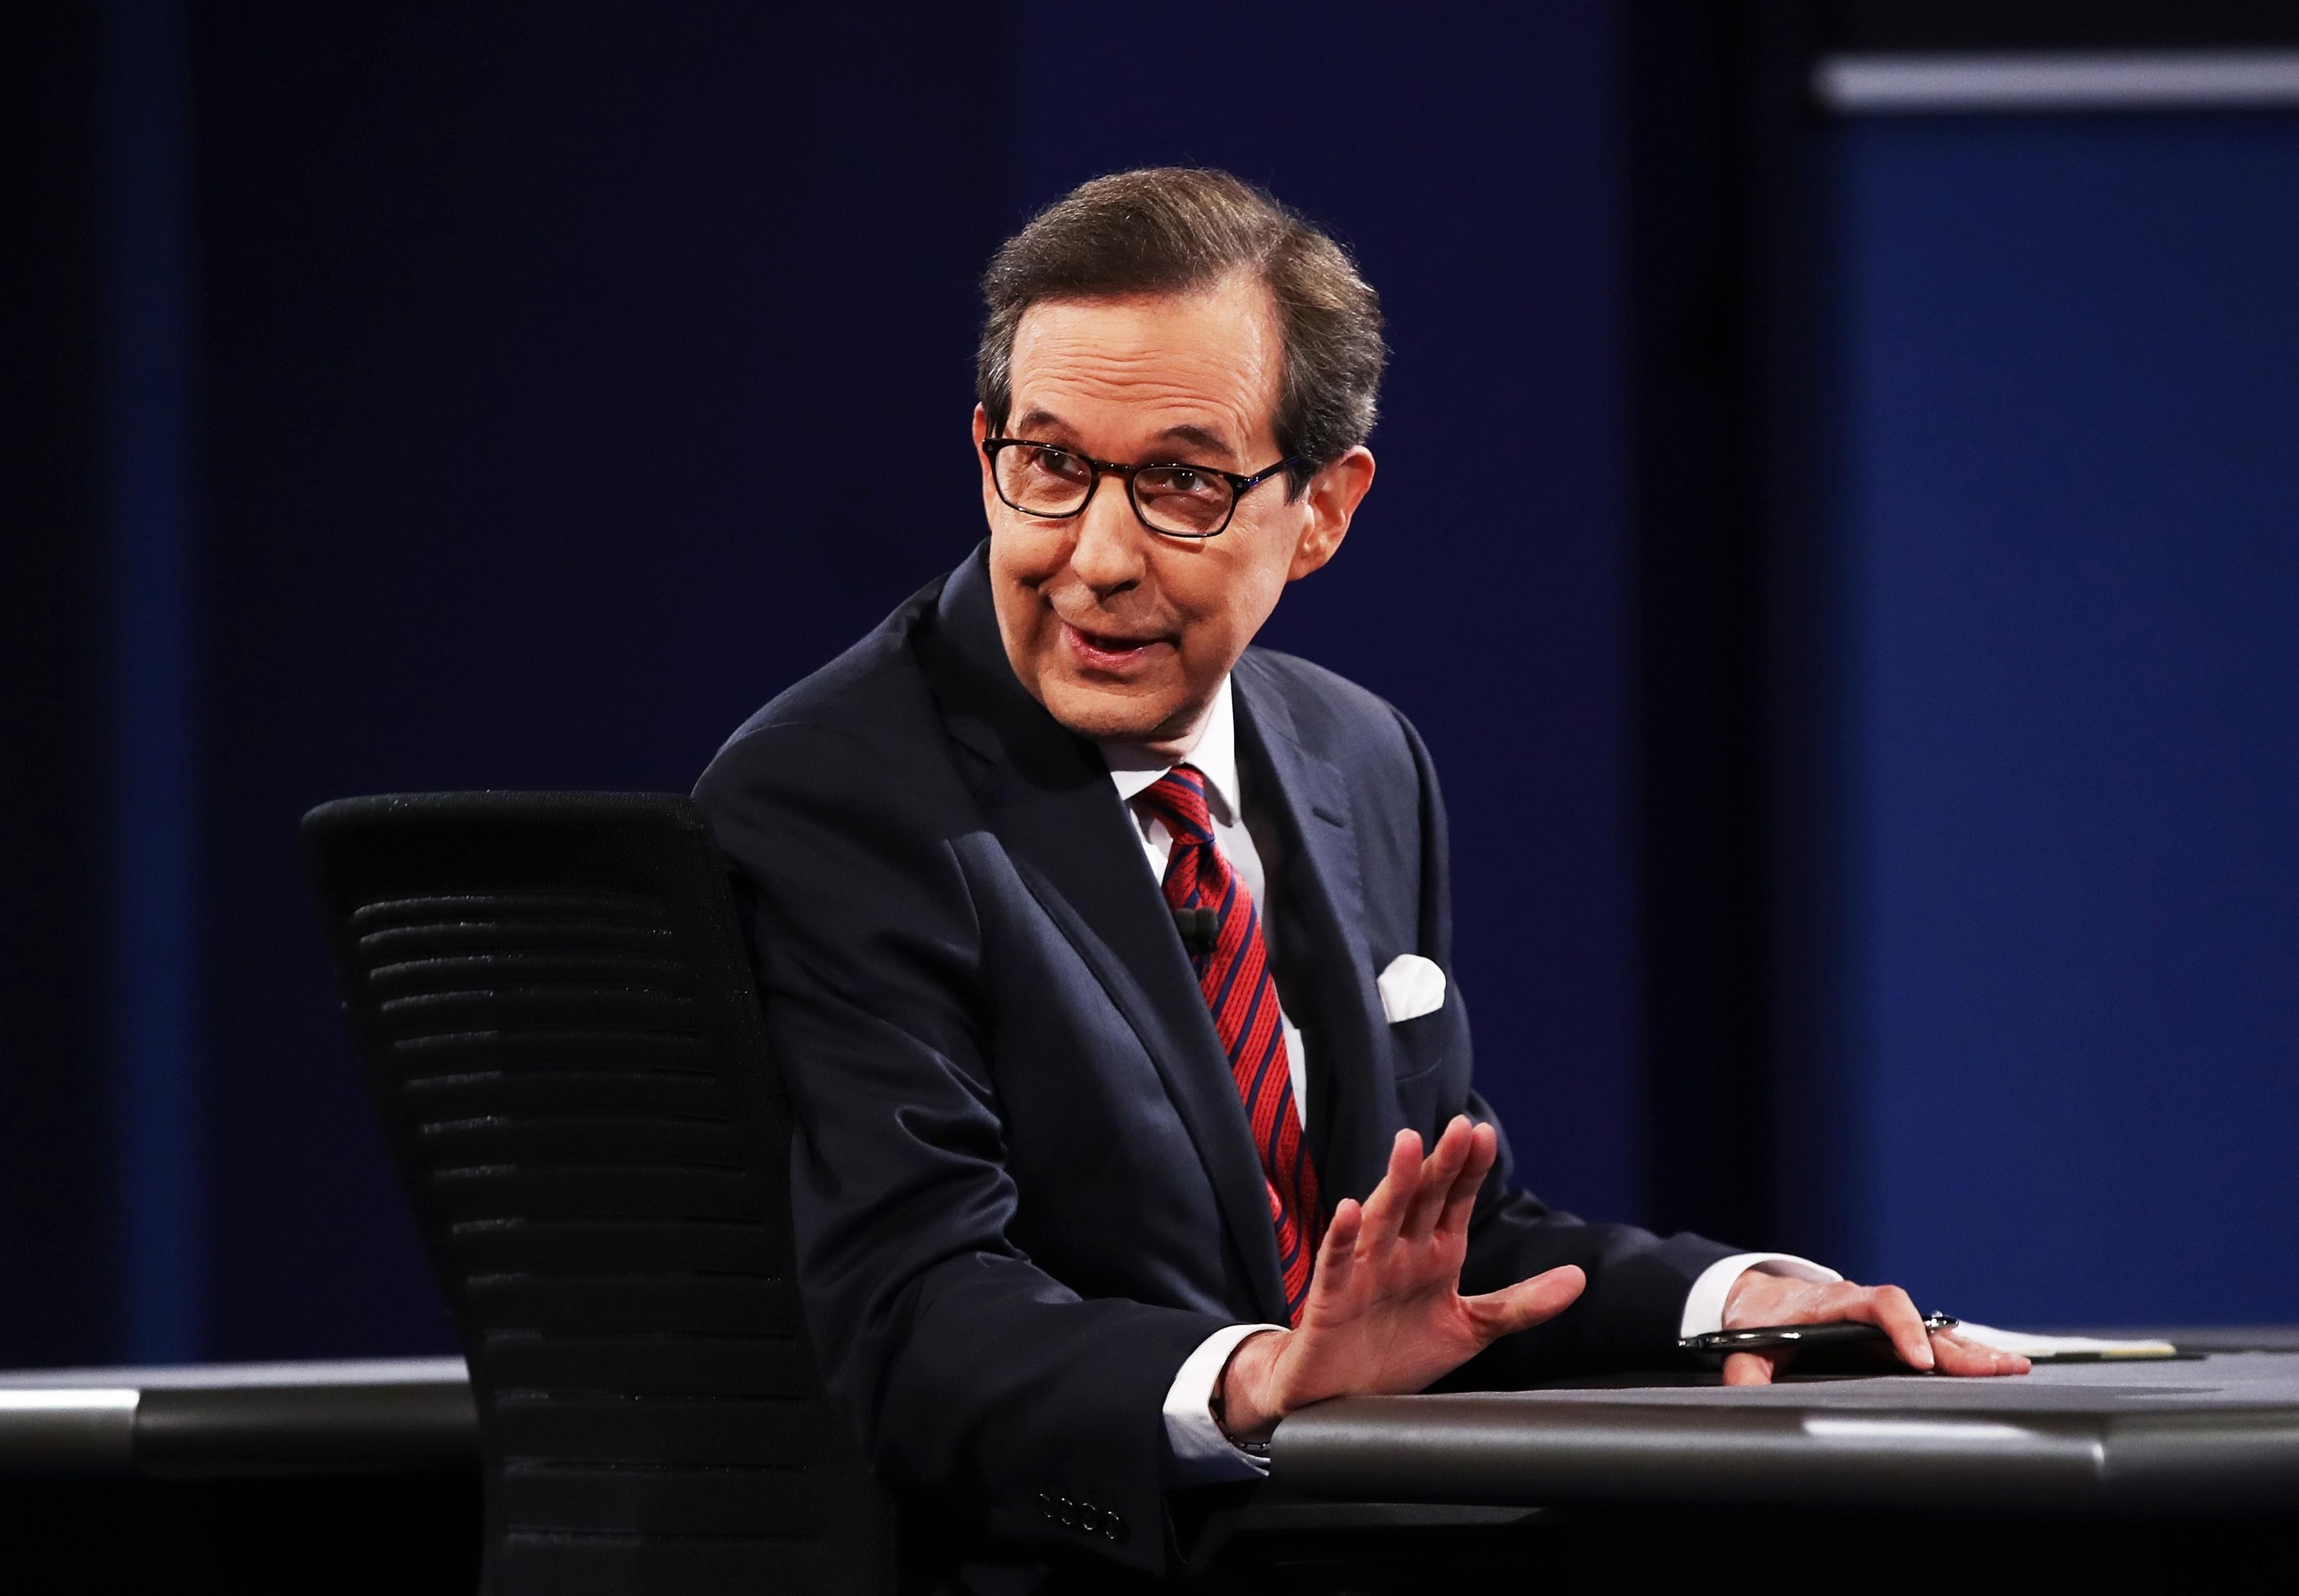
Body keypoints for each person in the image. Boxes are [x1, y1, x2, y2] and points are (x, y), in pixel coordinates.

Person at [693, 168, 2026, 1589]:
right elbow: (910, 1306)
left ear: (1322, 509)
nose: (1093, 556)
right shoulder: (836, 796)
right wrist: (1261, 1374)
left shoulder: (1357, 753)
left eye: (1183, 486)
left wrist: (1730, 1297)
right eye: (1050, 465)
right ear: (985, 455)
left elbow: (1439, 1249)